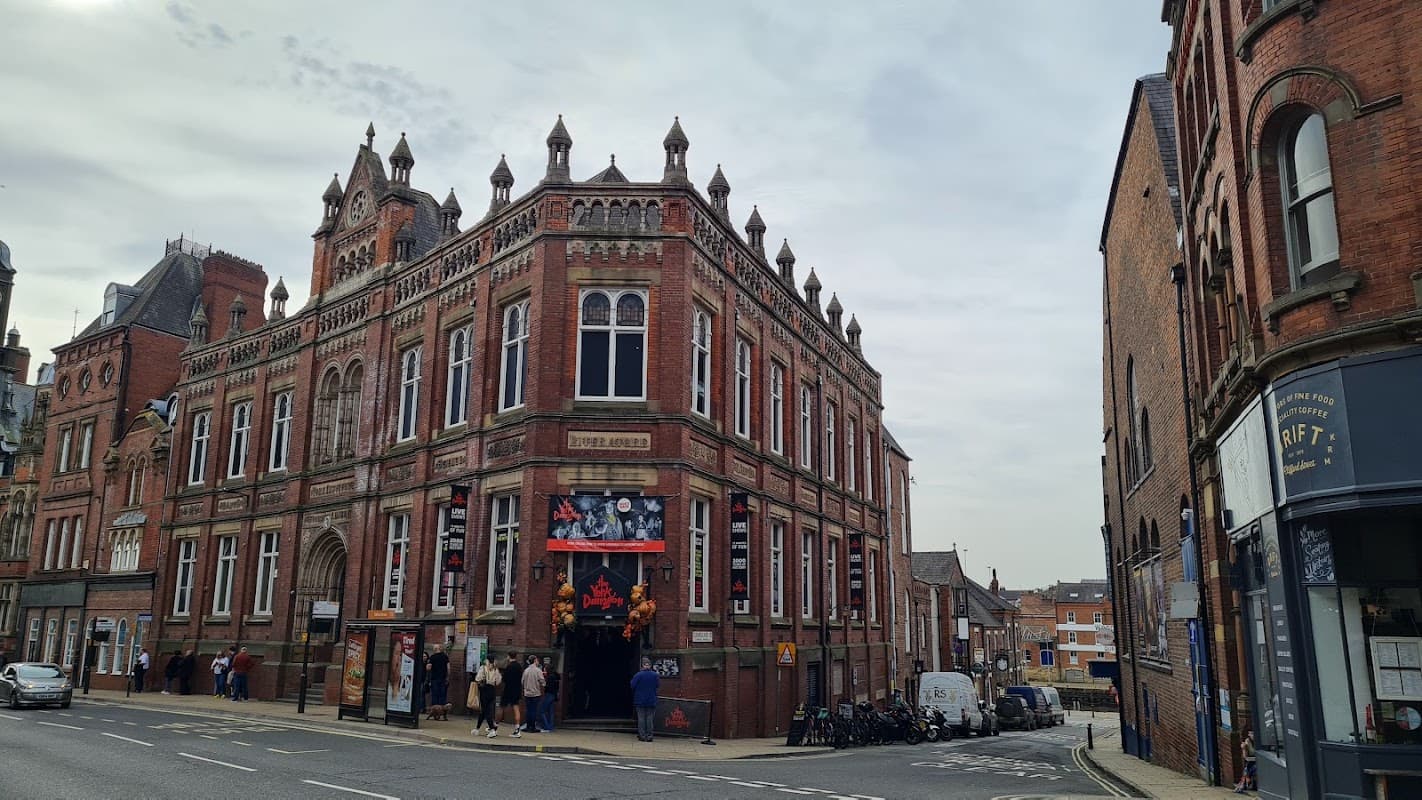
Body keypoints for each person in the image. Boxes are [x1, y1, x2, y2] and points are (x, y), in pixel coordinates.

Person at [631, 657, 660, 742]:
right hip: (651, 700)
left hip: (640, 700)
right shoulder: (655, 675)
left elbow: (632, 685)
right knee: (649, 719)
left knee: (641, 719)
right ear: (650, 665)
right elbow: (657, 686)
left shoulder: (638, 675)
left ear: (643, 665)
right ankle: (649, 736)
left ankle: (642, 736)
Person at [473, 655, 501, 737]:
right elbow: (498, 681)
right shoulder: (496, 669)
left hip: (484, 690)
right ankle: (477, 729)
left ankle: (492, 729)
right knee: (485, 710)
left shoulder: (483, 668)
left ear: (487, 660)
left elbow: (478, 679)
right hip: (492, 690)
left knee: (486, 711)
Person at [500, 652, 525, 737]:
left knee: (502, 707)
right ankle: (517, 730)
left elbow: (504, 679)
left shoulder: (509, 667)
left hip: (508, 690)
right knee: (516, 708)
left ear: (508, 657)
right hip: (517, 690)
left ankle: (494, 727)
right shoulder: (519, 666)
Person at [426, 644, 450, 721]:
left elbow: (428, 668)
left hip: (434, 679)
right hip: (443, 679)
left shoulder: (432, 657)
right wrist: (447, 677)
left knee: (435, 695)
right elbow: (448, 668)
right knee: (442, 696)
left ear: (435, 649)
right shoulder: (445, 656)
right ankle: (443, 713)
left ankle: (435, 713)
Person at [522, 655, 546, 733]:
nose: (538, 661)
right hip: (535, 693)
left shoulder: (526, 670)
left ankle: (528, 726)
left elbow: (522, 681)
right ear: (535, 660)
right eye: (537, 660)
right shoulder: (538, 670)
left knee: (528, 710)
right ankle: (532, 727)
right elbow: (542, 682)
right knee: (534, 710)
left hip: (527, 693)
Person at [1235, 729, 1257, 793]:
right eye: (1251, 734)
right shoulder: (1247, 741)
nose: (1253, 735)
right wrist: (1244, 748)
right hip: (1252, 761)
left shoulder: (1259, 740)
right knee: (1249, 768)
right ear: (1249, 735)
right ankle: (1245, 784)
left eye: (1254, 733)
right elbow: (1245, 756)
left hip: (1258, 761)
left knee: (1248, 769)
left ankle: (1243, 784)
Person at [539, 668, 561, 733]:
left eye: (545, 670)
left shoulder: (550, 677)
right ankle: (551, 727)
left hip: (549, 695)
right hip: (553, 695)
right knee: (551, 712)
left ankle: (546, 727)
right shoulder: (556, 677)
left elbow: (548, 686)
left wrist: (545, 684)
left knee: (542, 711)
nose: (544, 671)